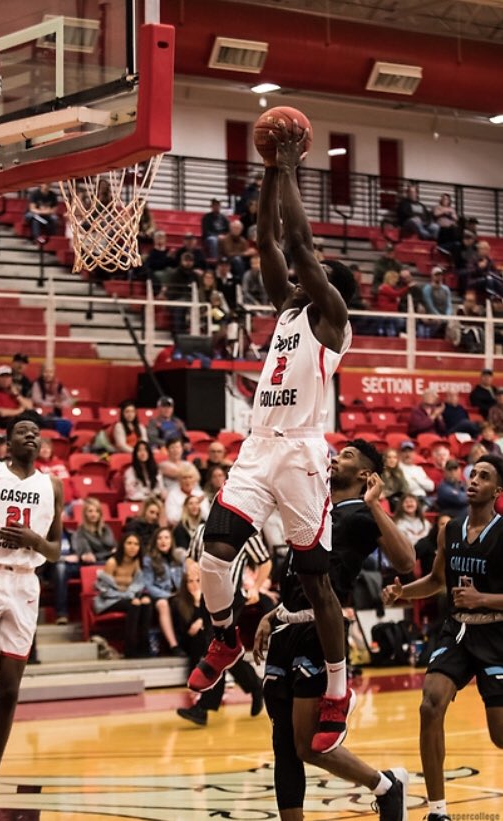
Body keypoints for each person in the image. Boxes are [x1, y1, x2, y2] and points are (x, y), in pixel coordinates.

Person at [188, 121, 358, 755]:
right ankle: (227, 634)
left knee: (316, 584)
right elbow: (269, 240)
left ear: (325, 287)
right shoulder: (287, 312)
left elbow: (302, 244)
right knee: (215, 550)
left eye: (306, 278)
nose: (293, 279)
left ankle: (340, 688)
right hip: (259, 446)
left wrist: (288, 166)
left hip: (302, 454)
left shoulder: (333, 321)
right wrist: (266, 170)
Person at [253, 439, 415, 820]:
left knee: (309, 745)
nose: (334, 458)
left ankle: (386, 785)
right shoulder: (315, 510)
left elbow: (406, 561)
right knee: (284, 745)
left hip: (319, 633)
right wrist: (274, 614)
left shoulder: (360, 512)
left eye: (345, 455)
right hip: (287, 629)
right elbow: (297, 582)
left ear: (364, 475)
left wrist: (376, 503)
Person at [382, 454, 503, 821]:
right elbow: (436, 582)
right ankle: (437, 811)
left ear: (497, 491)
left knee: (499, 736)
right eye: (472, 474)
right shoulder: (448, 530)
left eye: (483, 476)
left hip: (497, 634)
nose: (474, 480)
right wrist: (403, 593)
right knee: (429, 704)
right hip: (458, 632)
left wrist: (482, 598)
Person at [0, 413, 63, 819]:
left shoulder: (51, 484)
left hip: (24, 584)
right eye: (24, 431)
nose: (32, 436)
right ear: (7, 439)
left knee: (8, 692)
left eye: (37, 432)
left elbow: (55, 552)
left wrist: (35, 540)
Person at [177, 523, 269, 726]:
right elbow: (190, 557)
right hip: (206, 595)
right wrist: (190, 565)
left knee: (216, 648)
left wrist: (255, 587)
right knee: (222, 650)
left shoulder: (245, 531)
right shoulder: (201, 529)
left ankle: (203, 708)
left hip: (231, 597)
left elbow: (265, 562)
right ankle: (255, 685)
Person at [93, 532, 152, 658]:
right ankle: (129, 649)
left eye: (136, 544)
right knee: (135, 603)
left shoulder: (136, 563)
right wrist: (128, 595)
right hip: (109, 599)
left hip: (128, 596)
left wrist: (130, 594)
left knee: (146, 601)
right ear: (122, 545)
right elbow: (104, 589)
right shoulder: (112, 562)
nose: (133, 547)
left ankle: (144, 647)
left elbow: (138, 585)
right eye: (129, 543)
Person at [142, 526, 185, 656]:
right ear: (155, 542)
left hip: (178, 595)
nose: (163, 541)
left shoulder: (178, 558)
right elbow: (148, 586)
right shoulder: (149, 560)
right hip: (160, 595)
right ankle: (174, 645)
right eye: (159, 538)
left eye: (166, 537)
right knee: (163, 604)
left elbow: (185, 579)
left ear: (171, 540)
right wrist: (168, 595)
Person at [71, 497, 116, 564]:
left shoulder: (106, 528)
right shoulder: (80, 531)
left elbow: (114, 546)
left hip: (110, 561)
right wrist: (108, 554)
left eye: (97, 511)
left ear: (100, 514)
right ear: (85, 514)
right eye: (90, 511)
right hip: (93, 563)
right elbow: (88, 556)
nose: (94, 514)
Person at [398, 441, 435, 507]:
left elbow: (431, 486)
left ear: (414, 454)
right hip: (408, 499)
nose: (407, 454)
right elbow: (408, 487)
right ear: (400, 454)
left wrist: (416, 479)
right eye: (405, 451)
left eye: (410, 451)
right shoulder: (398, 468)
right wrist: (422, 483)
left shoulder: (418, 469)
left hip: (422, 498)